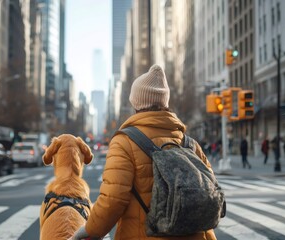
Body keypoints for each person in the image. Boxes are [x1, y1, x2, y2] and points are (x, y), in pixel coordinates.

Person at [70, 64, 217, 240]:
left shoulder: (124, 141)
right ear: (165, 102)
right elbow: (209, 194)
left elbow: (113, 200)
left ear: (136, 102)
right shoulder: (190, 144)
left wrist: (89, 231)